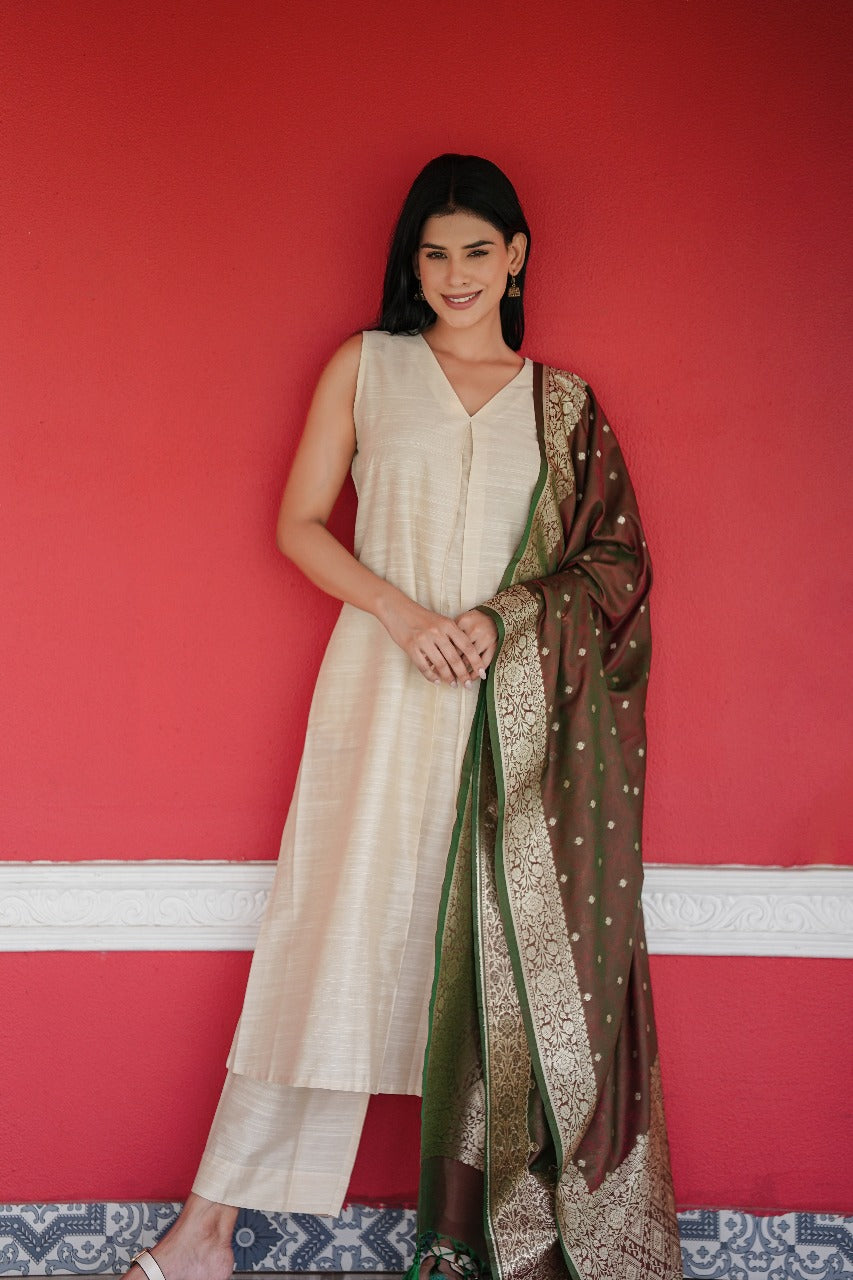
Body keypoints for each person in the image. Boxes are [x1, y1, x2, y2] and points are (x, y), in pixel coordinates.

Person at [127, 154, 682, 1280]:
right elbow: (297, 522)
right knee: (326, 941)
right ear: (410, 262)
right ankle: (205, 1233)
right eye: (434, 252)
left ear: (516, 256)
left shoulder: (561, 404)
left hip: (513, 733)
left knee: (501, 965)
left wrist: (504, 616)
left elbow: (615, 567)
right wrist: (401, 610)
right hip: (380, 694)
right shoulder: (368, 366)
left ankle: (487, 1241)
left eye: (477, 250)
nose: (454, 274)